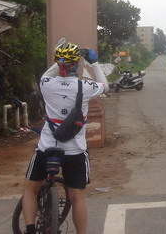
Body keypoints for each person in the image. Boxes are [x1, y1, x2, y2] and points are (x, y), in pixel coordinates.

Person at [21, 42, 109, 234]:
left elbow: (47, 73)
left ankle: (30, 230)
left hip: (46, 148)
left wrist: (59, 58)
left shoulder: (46, 84)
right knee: (77, 198)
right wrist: (94, 63)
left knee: (30, 190)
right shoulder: (85, 87)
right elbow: (105, 86)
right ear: (77, 63)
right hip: (74, 150)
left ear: (58, 63)